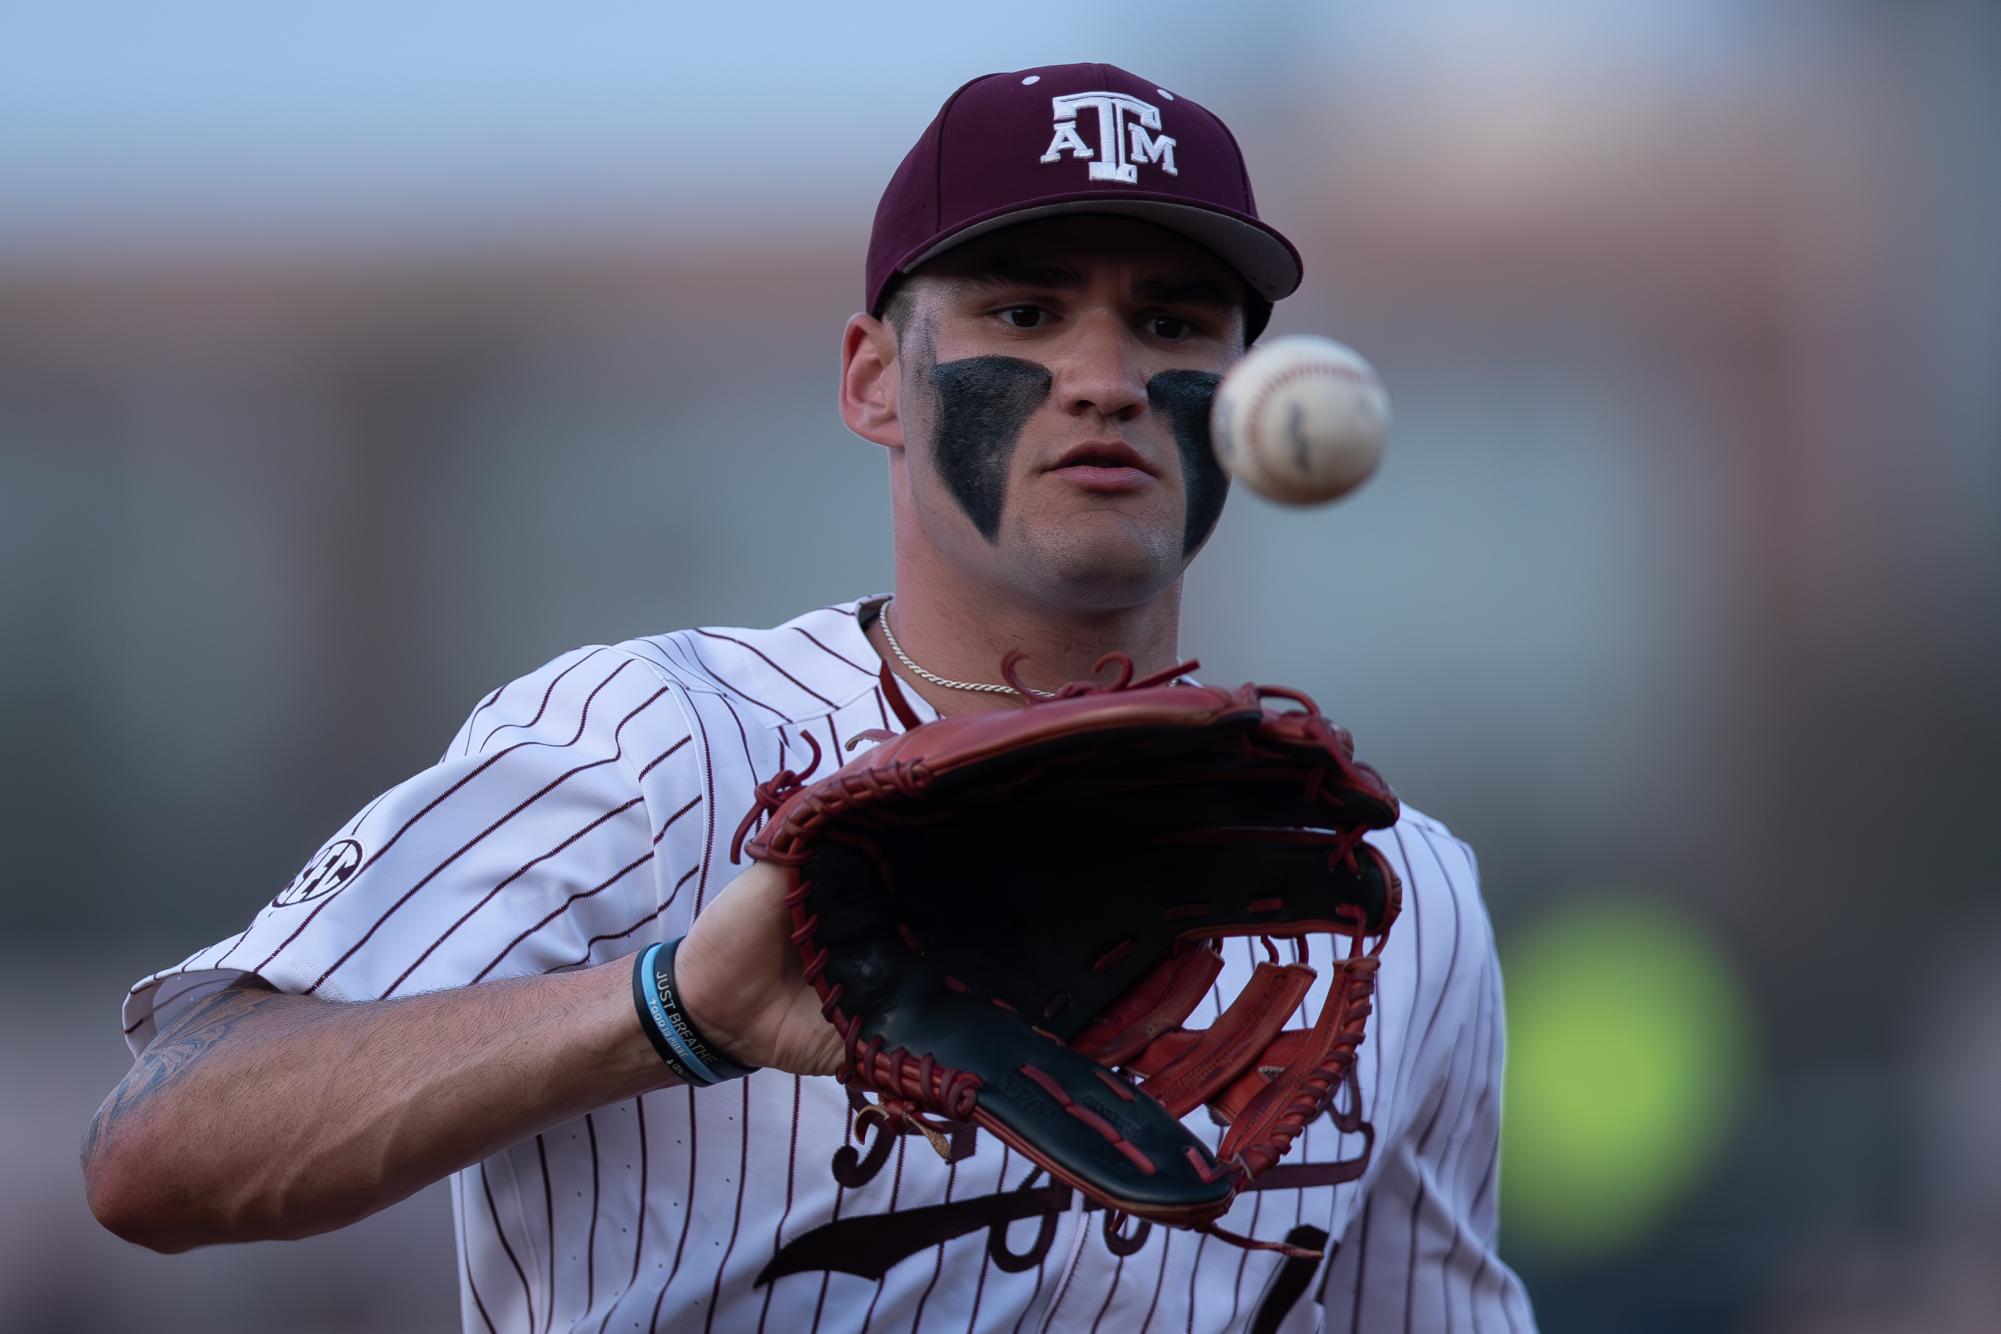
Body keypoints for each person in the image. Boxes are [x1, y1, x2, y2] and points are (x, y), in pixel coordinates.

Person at [82, 62, 1536, 1332]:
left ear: (1241, 394)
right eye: (1024, 311)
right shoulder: (653, 745)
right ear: (871, 381)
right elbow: (160, 1151)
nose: (1101, 376)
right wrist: (666, 1011)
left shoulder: (1398, 891)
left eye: (1170, 325)